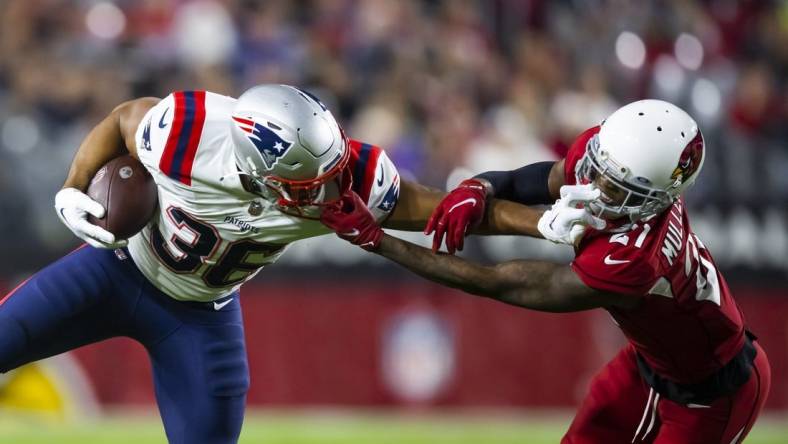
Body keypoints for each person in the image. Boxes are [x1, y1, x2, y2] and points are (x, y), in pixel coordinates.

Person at [0, 84, 548, 444]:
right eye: (307, 185)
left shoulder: (348, 176)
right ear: (254, 165)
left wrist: (540, 224)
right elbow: (123, 120)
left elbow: (449, 212)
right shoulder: (193, 133)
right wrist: (72, 188)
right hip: (115, 270)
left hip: (198, 317)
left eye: (330, 172)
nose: (329, 191)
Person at [320, 99, 771, 443]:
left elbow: (498, 282)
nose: (596, 182)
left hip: (712, 393)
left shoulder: (634, 259)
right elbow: (548, 177)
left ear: (655, 197)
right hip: (648, 360)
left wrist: (378, 242)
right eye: (601, 167)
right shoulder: (621, 159)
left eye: (617, 185)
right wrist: (482, 185)